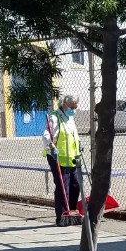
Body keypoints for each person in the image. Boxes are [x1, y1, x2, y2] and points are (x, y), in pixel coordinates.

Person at [42, 94, 82, 227]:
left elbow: (72, 135)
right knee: (63, 186)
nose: (75, 109)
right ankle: (62, 216)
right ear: (65, 104)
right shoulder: (55, 117)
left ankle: (72, 212)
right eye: (73, 107)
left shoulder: (70, 118)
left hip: (71, 158)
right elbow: (46, 135)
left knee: (75, 185)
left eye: (76, 107)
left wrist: (79, 144)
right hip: (57, 157)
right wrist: (51, 147)